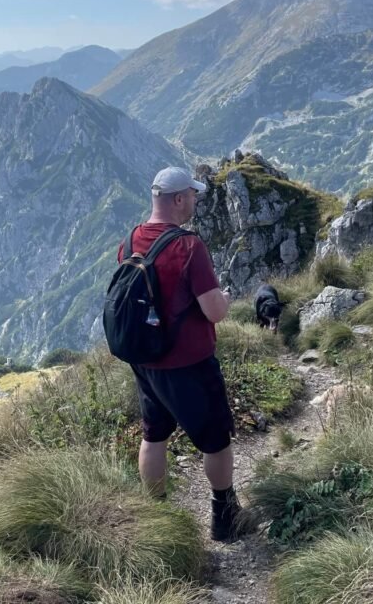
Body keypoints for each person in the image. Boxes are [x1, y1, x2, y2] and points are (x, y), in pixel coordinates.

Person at [117, 166, 241, 542]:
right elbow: (214, 311)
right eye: (192, 195)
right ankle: (224, 515)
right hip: (189, 363)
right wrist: (226, 300)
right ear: (177, 199)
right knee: (215, 438)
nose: (195, 201)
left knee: (154, 436)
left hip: (145, 361)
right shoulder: (189, 246)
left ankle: (156, 518)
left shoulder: (130, 240)